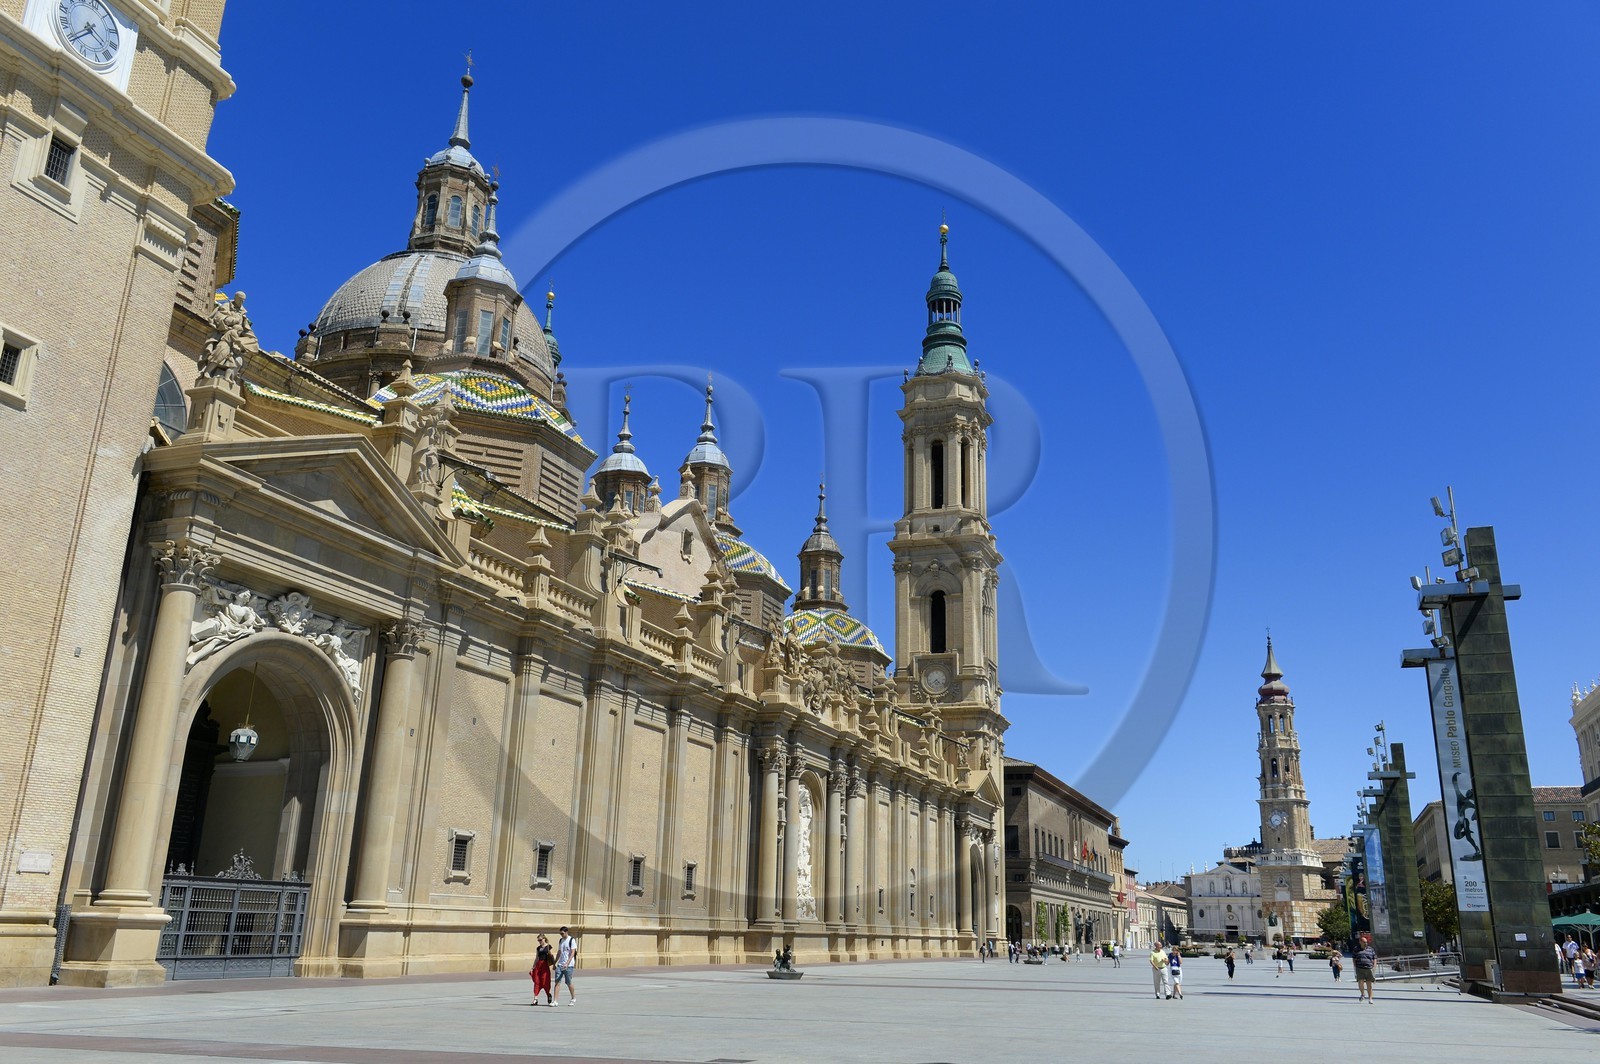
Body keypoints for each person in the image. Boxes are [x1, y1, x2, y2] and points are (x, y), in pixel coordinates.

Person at [553, 926, 578, 1006]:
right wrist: (555, 962)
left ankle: (573, 998)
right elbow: (559, 952)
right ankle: (555, 1001)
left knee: (568, 982)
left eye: (562, 933)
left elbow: (573, 952)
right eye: (560, 933)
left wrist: (567, 963)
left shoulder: (571, 940)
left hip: (569, 965)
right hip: (560, 964)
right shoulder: (561, 940)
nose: (561, 935)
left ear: (566, 932)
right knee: (557, 982)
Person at [530, 934, 554, 1005]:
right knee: (537, 982)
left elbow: (551, 956)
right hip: (538, 966)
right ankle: (535, 999)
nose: (539, 941)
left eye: (540, 940)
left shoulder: (548, 947)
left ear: (544, 939)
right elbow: (537, 958)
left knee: (545, 981)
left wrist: (554, 965)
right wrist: (533, 967)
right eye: (538, 940)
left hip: (545, 965)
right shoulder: (538, 948)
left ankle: (548, 995)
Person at [1354, 937, 1377, 1003]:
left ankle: (1370, 998)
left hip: (1369, 968)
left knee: (1369, 984)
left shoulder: (1370, 949)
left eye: (1366, 942)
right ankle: (1363, 993)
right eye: (1364, 942)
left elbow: (1374, 957)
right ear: (1360, 942)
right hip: (1360, 968)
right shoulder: (1356, 949)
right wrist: (1355, 966)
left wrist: (1374, 966)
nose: (1366, 943)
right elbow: (1354, 958)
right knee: (1360, 982)